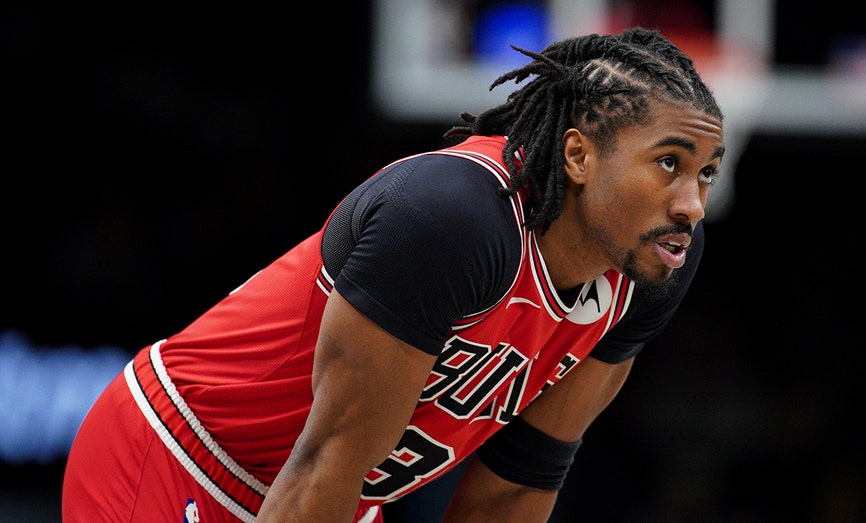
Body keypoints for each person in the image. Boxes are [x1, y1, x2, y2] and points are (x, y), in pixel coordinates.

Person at [62, 27, 725, 523]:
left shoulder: (651, 266)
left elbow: (516, 485)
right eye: (668, 163)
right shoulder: (454, 219)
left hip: (337, 496)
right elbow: (326, 458)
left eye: (705, 173)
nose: (691, 205)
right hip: (187, 457)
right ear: (578, 155)